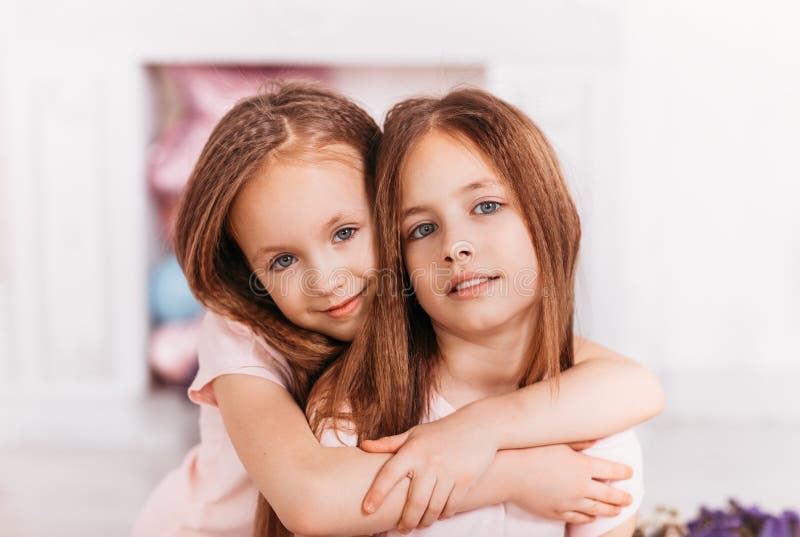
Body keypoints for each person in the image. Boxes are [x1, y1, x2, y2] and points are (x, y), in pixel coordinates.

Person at [133, 81, 664, 537]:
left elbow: (633, 385)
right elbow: (311, 499)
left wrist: (478, 430)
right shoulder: (243, 332)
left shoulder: (414, 290)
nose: (327, 280)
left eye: (345, 233)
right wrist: (515, 474)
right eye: (282, 261)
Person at [305, 88, 652, 536]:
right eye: (422, 228)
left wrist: (482, 431)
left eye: (486, 206)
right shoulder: (356, 410)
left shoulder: (596, 428)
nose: (454, 246)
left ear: (553, 218)